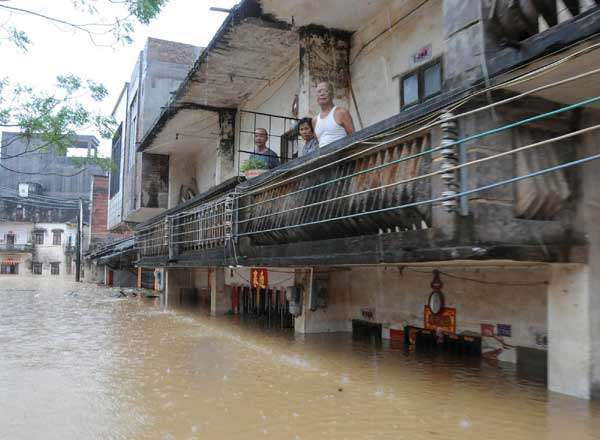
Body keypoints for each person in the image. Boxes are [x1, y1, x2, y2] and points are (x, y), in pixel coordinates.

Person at [313, 81, 355, 148]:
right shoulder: (314, 120)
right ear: (316, 97)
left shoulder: (341, 112)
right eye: (319, 92)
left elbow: (353, 137)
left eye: (325, 91)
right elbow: (319, 142)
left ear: (332, 95)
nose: (322, 94)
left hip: (341, 155)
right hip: (323, 157)